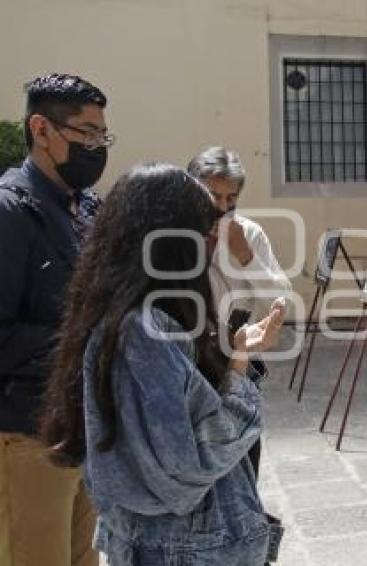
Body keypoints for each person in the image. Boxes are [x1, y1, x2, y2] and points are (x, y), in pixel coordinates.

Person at [40, 163, 284, 565]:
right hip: (181, 547)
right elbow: (189, 469)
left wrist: (237, 352)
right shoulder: (143, 332)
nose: (213, 244)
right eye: (206, 232)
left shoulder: (133, 316)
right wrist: (240, 371)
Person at [0, 73, 111, 566]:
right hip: (28, 432)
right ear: (41, 129)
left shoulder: (86, 207)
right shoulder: (9, 211)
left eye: (101, 136)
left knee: (83, 557)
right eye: (85, 133)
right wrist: (86, 340)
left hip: (81, 424)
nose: (95, 146)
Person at [187, 146, 291, 476]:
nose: (221, 206)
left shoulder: (250, 234)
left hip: (238, 358)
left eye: (230, 197)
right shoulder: (173, 233)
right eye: (213, 195)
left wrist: (246, 256)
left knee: (243, 456)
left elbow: (279, 299)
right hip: (186, 362)